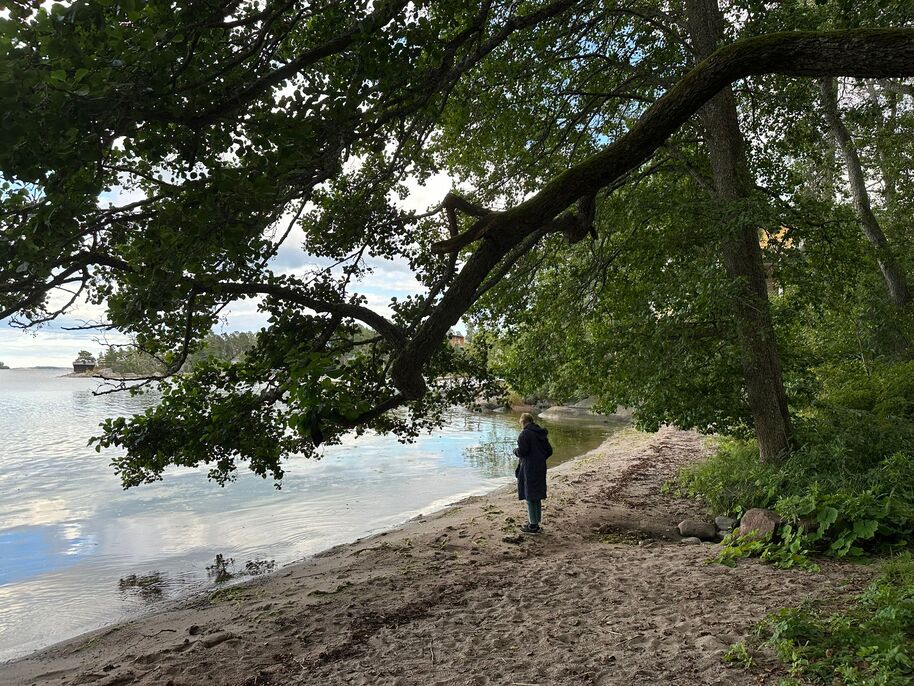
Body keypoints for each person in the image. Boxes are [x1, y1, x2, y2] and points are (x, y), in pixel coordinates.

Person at [514, 412, 553, 534]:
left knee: (530, 496)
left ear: (524, 422)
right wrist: (540, 458)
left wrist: (515, 451)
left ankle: (532, 526)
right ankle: (535, 523)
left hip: (529, 467)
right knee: (536, 496)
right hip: (540, 466)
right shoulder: (540, 433)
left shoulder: (524, 434)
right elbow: (549, 451)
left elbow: (523, 451)